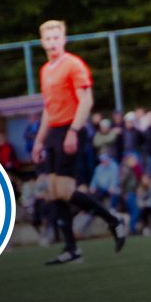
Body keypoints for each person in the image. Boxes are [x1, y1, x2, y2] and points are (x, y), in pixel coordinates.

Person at [30, 20, 128, 265]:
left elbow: (86, 101)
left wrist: (73, 131)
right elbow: (48, 109)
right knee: (53, 191)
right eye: (48, 38)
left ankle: (113, 220)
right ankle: (71, 250)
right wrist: (39, 141)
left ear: (64, 40)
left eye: (56, 37)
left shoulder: (73, 65)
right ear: (42, 42)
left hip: (70, 128)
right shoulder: (45, 70)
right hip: (54, 132)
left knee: (63, 189)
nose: (52, 42)